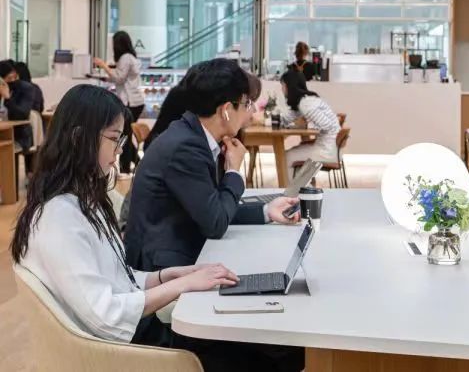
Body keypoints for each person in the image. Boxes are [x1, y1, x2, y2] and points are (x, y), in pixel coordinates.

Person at [11, 84, 303, 371]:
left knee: (273, 347)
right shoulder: (59, 218)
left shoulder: (78, 201)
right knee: (273, 353)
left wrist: (166, 276)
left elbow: (115, 278)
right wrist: (182, 284)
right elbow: (106, 314)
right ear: (78, 138)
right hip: (130, 351)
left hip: (139, 333)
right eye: (114, 139)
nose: (119, 152)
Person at [125, 59, 300, 272]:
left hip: (177, 251)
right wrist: (233, 171)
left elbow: (213, 207)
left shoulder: (193, 136)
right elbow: (215, 223)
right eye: (246, 104)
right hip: (162, 266)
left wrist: (266, 211)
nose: (251, 111)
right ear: (226, 110)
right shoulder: (186, 147)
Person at [94, 31, 146, 177]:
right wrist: (105, 78)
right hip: (135, 101)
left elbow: (120, 78)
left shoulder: (125, 58)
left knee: (124, 137)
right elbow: (121, 78)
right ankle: (136, 164)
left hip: (130, 102)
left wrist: (103, 65)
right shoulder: (131, 57)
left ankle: (126, 169)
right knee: (126, 135)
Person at [279, 70, 340, 181]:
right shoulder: (305, 100)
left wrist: (308, 124)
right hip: (330, 148)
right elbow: (285, 119)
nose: (282, 89)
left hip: (327, 150)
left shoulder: (306, 104)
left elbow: (327, 125)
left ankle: (292, 190)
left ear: (289, 86)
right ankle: (301, 188)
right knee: (292, 153)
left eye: (282, 86)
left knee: (287, 156)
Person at [0, 60, 35, 153]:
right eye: (9, 78)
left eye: (14, 77)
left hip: (18, 135)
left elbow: (22, 115)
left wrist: (7, 98)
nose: (12, 80)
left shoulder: (25, 89)